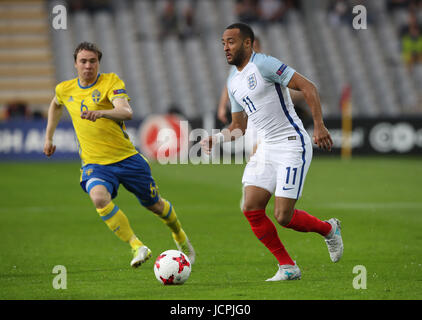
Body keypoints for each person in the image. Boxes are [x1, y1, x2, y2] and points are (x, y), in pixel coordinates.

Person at [201, 23, 343, 281]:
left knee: (283, 216)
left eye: (231, 42)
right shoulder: (233, 81)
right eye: (223, 43)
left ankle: (329, 229)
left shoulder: (265, 64)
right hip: (266, 147)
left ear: (247, 43)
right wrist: (217, 138)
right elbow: (238, 127)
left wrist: (319, 126)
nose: (225, 48)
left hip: (291, 143)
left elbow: (308, 87)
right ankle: (288, 267)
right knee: (251, 207)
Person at [43, 42, 195, 268]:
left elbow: (126, 111)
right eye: (83, 61)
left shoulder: (110, 81)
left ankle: (180, 237)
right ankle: (137, 245)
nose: (88, 66)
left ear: (98, 63)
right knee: (98, 198)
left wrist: (101, 112)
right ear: (75, 64)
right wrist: (49, 137)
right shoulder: (65, 89)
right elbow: (56, 105)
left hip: (127, 159)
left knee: (156, 206)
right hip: (96, 164)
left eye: (92, 61)